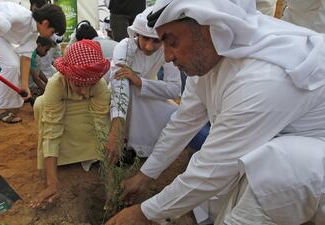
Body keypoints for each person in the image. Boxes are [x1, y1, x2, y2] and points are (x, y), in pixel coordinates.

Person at [105, 0, 325, 225]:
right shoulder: (207, 65)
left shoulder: (263, 77)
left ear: (208, 28)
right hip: (268, 149)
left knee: (270, 173)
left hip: (306, 167)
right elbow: (182, 124)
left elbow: (215, 167)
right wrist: (144, 176)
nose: (167, 56)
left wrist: (144, 213)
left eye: (172, 42)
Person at [30, 40, 111, 208]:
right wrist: (52, 183)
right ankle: (58, 162)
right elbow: (52, 130)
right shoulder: (56, 84)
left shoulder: (100, 85)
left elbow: (102, 126)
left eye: (91, 85)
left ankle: (90, 156)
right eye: (79, 84)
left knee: (105, 111)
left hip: (85, 123)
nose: (85, 92)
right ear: (67, 75)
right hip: (62, 116)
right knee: (40, 104)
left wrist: (110, 179)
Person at [105, 7, 181, 164]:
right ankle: (127, 145)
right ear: (137, 34)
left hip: (147, 93)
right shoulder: (124, 47)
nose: (148, 46)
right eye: (145, 38)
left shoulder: (166, 50)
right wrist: (117, 130)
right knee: (129, 90)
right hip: (119, 98)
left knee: (176, 114)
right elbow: (119, 86)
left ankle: (143, 149)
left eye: (156, 41)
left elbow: (174, 89)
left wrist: (140, 81)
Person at [0, 2, 66, 124]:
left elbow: (26, 57)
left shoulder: (33, 33)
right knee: (11, 65)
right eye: (52, 32)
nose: (51, 36)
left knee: (14, 64)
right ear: (45, 23)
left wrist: (24, 86)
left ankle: (9, 105)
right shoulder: (21, 17)